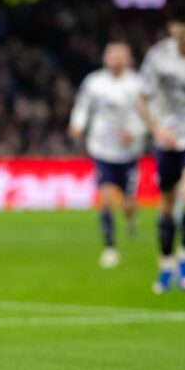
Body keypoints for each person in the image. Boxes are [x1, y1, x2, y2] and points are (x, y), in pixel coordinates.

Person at [137, 15, 185, 293]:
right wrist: (155, 128)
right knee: (166, 202)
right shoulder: (158, 57)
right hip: (169, 135)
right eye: (181, 33)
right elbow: (141, 98)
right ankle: (167, 264)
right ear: (171, 30)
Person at [68, 42, 146, 268]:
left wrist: (135, 131)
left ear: (128, 58)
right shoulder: (94, 82)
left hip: (128, 153)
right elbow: (83, 106)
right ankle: (110, 248)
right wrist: (77, 124)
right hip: (102, 149)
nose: (116, 59)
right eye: (112, 54)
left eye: (121, 55)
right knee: (105, 200)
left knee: (128, 203)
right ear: (105, 57)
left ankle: (131, 218)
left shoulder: (137, 84)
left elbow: (148, 114)